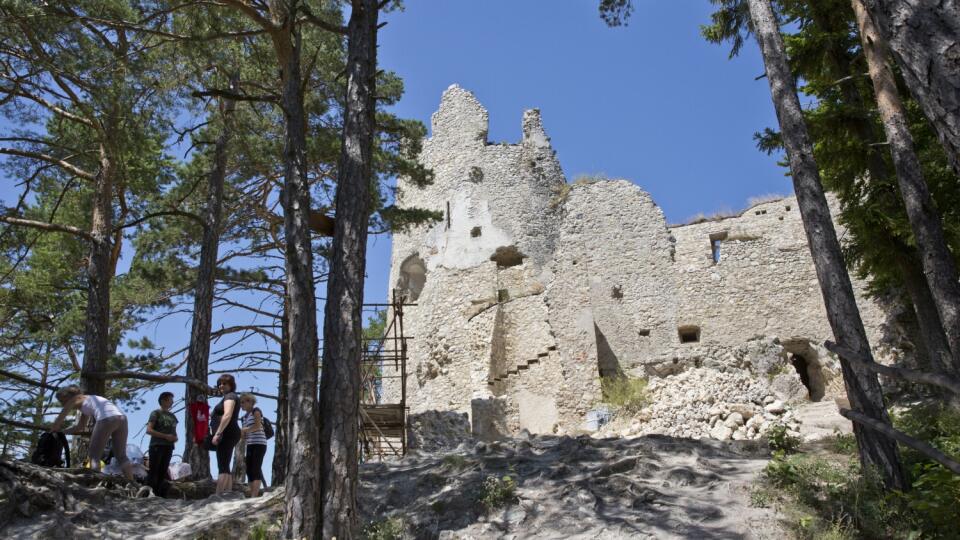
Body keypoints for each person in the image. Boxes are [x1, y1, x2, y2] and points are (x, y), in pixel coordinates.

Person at [50, 385, 134, 481]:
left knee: (94, 456)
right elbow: (80, 426)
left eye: (62, 400)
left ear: (67, 397)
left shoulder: (75, 399)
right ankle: (132, 484)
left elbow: (62, 415)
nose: (62, 404)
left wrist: (53, 430)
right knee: (121, 456)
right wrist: (63, 432)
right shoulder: (87, 401)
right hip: (121, 418)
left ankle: (95, 482)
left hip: (107, 418)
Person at [210, 374, 240, 495]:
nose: (221, 386)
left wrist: (218, 433)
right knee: (225, 464)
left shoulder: (230, 396)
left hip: (227, 433)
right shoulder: (229, 397)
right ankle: (227, 493)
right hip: (230, 432)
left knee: (222, 464)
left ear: (231, 385)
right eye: (219, 384)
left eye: (224, 383)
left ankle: (218, 494)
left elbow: (227, 415)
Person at [145, 391, 178, 496]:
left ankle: (159, 495)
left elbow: (174, 432)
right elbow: (149, 430)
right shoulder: (156, 413)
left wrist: (175, 438)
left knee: (163, 471)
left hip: (169, 447)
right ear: (163, 400)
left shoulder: (173, 416)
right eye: (170, 399)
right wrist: (165, 436)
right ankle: (148, 493)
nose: (172, 402)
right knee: (154, 470)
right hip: (157, 445)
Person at [238, 393, 267, 497]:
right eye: (240, 402)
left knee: (256, 467)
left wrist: (245, 430)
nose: (241, 405)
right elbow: (244, 434)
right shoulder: (244, 417)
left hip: (260, 443)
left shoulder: (256, 411)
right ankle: (252, 492)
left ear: (250, 402)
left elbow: (258, 426)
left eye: (243, 402)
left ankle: (254, 495)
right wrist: (243, 435)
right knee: (249, 469)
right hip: (250, 444)